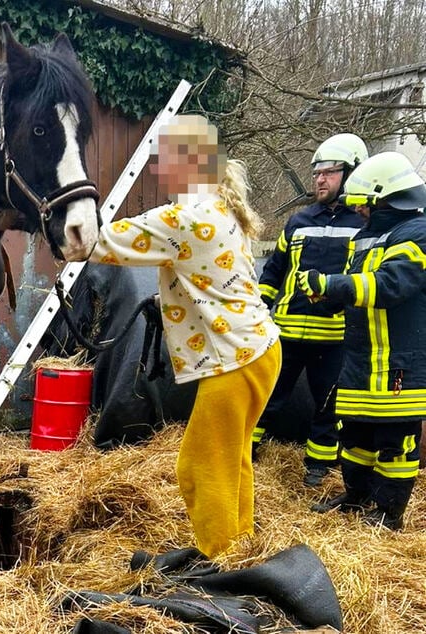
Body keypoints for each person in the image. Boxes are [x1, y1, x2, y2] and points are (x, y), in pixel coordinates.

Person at [89, 114, 281, 557]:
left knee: (198, 466)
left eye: (164, 159)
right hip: (262, 351)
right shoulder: (222, 208)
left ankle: (218, 562)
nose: (157, 169)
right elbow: (210, 277)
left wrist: (53, 218)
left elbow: (99, 242)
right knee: (233, 459)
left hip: (234, 361)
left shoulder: (186, 217)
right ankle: (241, 547)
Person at [301, 151, 426, 530]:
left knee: (395, 440)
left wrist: (330, 283)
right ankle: (356, 498)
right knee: (355, 434)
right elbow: (358, 290)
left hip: (398, 361)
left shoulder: (417, 234)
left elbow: (389, 285)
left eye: (362, 204)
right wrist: (328, 302)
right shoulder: (367, 237)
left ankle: (388, 514)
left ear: (384, 198)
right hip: (360, 358)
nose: (357, 211)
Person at [255, 133, 368, 486]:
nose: (319, 179)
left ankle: (317, 469)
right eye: (317, 172)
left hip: (335, 338)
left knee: (327, 407)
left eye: (330, 172)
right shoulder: (298, 221)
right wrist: (259, 309)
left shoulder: (364, 224)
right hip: (285, 332)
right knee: (265, 396)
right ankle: (246, 452)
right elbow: (274, 269)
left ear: (351, 173)